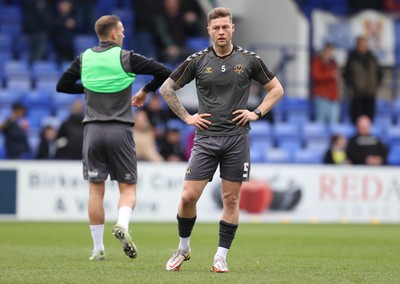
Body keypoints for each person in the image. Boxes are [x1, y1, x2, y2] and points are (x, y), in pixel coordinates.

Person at [159, 7, 284, 272]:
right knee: (187, 197)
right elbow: (166, 88)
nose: (221, 32)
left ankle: (220, 256)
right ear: (209, 31)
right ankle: (183, 247)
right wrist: (187, 117)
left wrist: (256, 112)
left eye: (225, 27)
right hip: (205, 139)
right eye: (216, 28)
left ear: (232, 29)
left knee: (231, 199)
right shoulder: (198, 60)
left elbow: (276, 89)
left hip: (237, 139)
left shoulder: (249, 60)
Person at [56, 15, 171, 261]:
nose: (124, 34)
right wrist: (144, 91)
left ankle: (97, 249)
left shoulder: (84, 58)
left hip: (93, 130)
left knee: (95, 192)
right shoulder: (126, 57)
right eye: (122, 30)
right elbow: (164, 72)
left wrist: (89, 87)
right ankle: (122, 224)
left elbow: (62, 85)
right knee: (127, 188)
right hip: (120, 130)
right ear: (113, 34)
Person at [343, 36, 383, 124]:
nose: (363, 46)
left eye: (365, 44)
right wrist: (353, 86)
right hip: (357, 95)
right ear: (357, 45)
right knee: (356, 120)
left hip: (370, 94)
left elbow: (379, 74)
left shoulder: (372, 58)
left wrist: (375, 86)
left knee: (369, 120)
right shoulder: (352, 58)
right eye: (361, 44)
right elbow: (346, 75)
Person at [311, 43, 340, 124]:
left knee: (334, 124)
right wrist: (330, 75)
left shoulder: (333, 63)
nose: (331, 53)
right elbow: (316, 76)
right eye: (329, 51)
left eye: (332, 51)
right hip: (321, 96)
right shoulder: (317, 61)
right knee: (320, 123)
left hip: (333, 97)